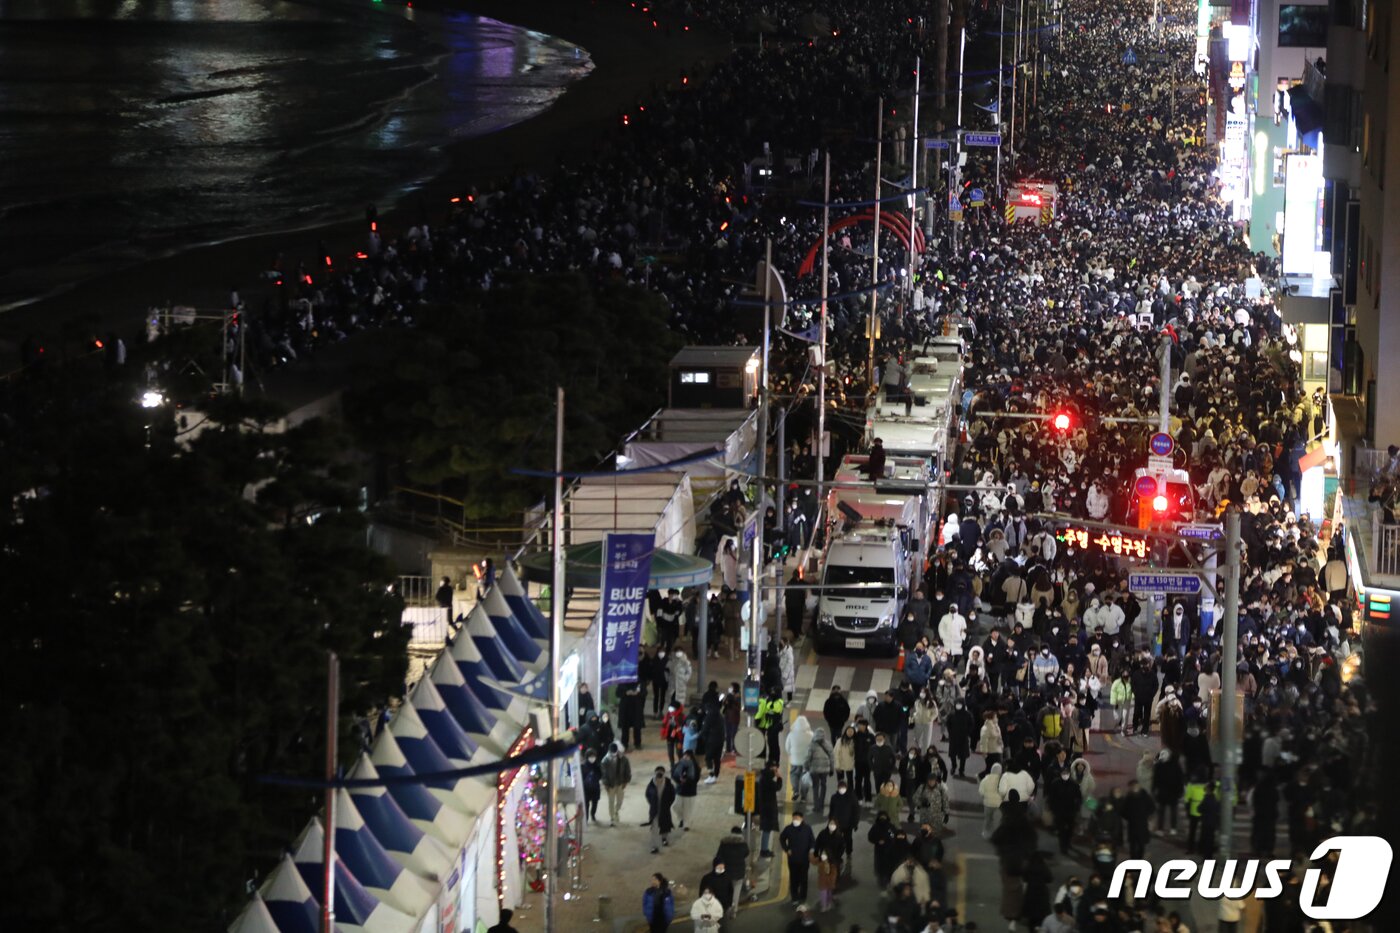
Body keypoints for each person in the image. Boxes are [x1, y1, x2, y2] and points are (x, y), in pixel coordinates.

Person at [780, 810, 816, 904]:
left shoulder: (807, 828)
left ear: (802, 819)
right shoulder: (788, 829)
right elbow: (782, 838)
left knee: (804, 879)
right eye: (794, 818)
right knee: (794, 879)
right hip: (793, 860)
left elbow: (812, 841)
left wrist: (811, 850)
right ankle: (794, 897)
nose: (795, 820)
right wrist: (787, 849)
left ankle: (803, 896)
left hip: (804, 859)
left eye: (797, 818)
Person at [644, 766, 676, 854]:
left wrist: (668, 805)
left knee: (665, 825)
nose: (659, 775)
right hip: (654, 811)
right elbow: (647, 795)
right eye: (657, 773)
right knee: (654, 828)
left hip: (665, 809)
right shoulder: (651, 784)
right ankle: (655, 846)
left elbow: (673, 795)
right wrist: (652, 803)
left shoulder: (668, 784)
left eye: (660, 773)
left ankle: (664, 838)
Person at [601, 742, 632, 826]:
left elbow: (627, 770)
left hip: (620, 783)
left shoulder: (623, 759)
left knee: (620, 800)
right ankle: (612, 817)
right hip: (610, 784)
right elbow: (604, 774)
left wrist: (626, 781)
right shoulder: (605, 760)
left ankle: (616, 811)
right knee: (611, 801)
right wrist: (606, 784)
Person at [758, 759, 784, 855]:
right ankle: (764, 850)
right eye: (776, 767)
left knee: (767, 829)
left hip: (766, 806)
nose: (777, 769)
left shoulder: (765, 776)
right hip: (768, 808)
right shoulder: (767, 778)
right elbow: (777, 787)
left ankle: (764, 849)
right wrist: (779, 778)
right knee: (767, 829)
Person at [786, 716, 814, 804]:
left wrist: (791, 753)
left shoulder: (791, 734)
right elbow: (814, 748)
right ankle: (804, 796)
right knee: (805, 778)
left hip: (795, 760)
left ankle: (795, 791)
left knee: (794, 775)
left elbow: (787, 747)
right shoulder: (811, 735)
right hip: (806, 761)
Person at [807, 726, 835, 812]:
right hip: (825, 770)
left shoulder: (812, 744)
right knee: (823, 786)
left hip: (814, 770)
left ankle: (816, 806)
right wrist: (832, 769)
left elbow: (808, 757)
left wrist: (806, 767)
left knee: (815, 787)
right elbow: (832, 758)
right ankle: (821, 805)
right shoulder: (828, 744)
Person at [673, 750, 700, 830]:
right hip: (679, 790)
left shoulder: (695, 766)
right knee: (675, 806)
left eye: (688, 756)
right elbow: (674, 774)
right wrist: (679, 779)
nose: (685, 757)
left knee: (688, 809)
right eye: (685, 755)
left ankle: (686, 825)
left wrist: (687, 780)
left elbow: (695, 779)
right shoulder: (679, 764)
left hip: (690, 792)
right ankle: (682, 818)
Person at [979, 762, 1005, 838]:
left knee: (988, 819)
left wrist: (984, 798)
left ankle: (986, 833)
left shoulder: (985, 780)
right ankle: (997, 835)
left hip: (987, 804)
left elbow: (981, 792)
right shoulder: (1002, 780)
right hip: (998, 804)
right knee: (998, 820)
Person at [581, 748, 602, 823]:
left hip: (595, 788)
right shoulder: (583, 766)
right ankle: (585, 818)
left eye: (593, 756)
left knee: (595, 803)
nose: (592, 758)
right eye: (590, 756)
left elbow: (600, 775)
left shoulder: (597, 766)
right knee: (586, 805)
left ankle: (593, 814)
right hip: (586, 788)